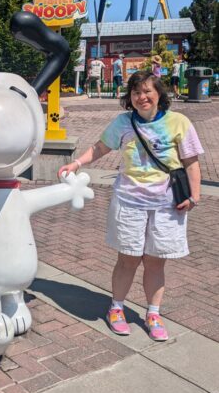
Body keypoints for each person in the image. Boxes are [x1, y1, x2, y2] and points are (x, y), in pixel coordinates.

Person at [58, 70, 202, 341]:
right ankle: (116, 308)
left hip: (167, 204)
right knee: (128, 260)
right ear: (130, 97)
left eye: (147, 91)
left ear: (159, 93)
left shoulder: (178, 122)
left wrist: (194, 195)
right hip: (129, 201)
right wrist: (76, 163)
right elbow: (101, 147)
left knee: (156, 262)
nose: (142, 97)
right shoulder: (123, 123)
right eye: (136, 92)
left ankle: (154, 313)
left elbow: (191, 160)